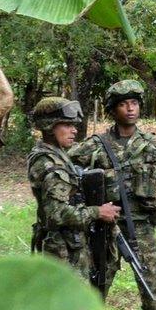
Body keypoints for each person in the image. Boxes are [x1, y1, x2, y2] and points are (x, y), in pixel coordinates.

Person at [68, 80, 156, 310]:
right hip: (105, 224)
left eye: (134, 103)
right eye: (123, 104)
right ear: (113, 109)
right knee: (97, 276)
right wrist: (84, 194)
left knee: (150, 276)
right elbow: (68, 165)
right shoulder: (97, 144)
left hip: (141, 225)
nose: (130, 109)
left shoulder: (152, 144)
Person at [27, 97, 119, 278]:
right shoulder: (49, 164)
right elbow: (56, 214)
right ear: (50, 127)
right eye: (67, 125)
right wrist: (98, 212)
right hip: (61, 252)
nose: (74, 130)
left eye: (74, 125)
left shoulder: (58, 155)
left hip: (69, 246)